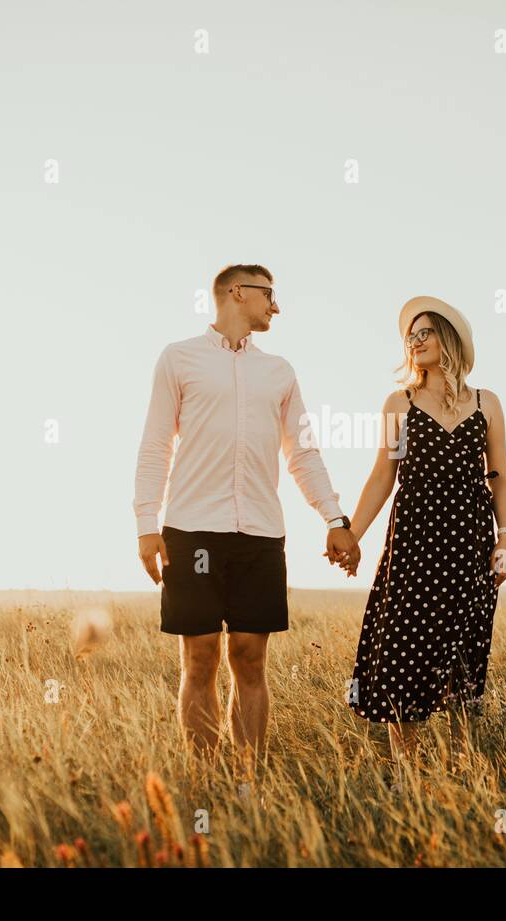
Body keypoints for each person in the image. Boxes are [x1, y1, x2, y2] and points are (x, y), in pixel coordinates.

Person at [133, 263, 360, 773]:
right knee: (200, 657)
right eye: (268, 295)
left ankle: (248, 777)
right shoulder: (178, 358)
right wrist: (147, 524)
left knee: (250, 658)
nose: (275, 306)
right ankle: (205, 776)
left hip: (260, 533)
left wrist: (334, 516)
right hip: (191, 532)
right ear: (237, 292)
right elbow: (155, 444)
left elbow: (303, 454)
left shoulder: (279, 372)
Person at [334, 296, 506, 770]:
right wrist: (351, 533)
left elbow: (500, 475)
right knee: (402, 648)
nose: (414, 342)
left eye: (424, 333)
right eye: (409, 336)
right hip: (414, 544)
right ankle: (405, 774)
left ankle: (461, 765)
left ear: (449, 339)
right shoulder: (400, 404)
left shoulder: (486, 403)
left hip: (471, 543)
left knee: (465, 652)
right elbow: (381, 476)